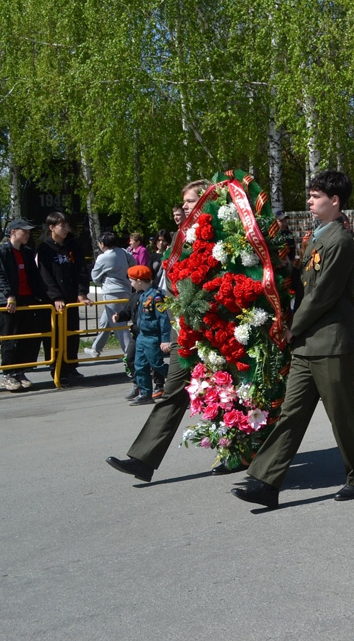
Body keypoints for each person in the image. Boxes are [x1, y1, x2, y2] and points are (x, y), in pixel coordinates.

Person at [232, 170, 354, 509]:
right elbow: (305, 283)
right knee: (291, 413)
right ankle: (266, 480)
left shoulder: (339, 241)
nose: (309, 201)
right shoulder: (316, 237)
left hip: (330, 342)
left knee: (342, 414)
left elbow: (322, 295)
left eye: (315, 196)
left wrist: (292, 326)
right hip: (309, 343)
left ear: (334, 201)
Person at [107, 179, 220, 482]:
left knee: (225, 394)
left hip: (216, 333)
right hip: (184, 332)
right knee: (172, 393)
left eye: (190, 200)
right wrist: (172, 333)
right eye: (183, 202)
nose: (184, 206)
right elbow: (171, 288)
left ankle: (238, 451)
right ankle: (143, 459)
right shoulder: (178, 241)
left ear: (206, 201)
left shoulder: (220, 237)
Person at [0, 220, 48, 391]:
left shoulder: (28, 252)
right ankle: (7, 374)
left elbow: (35, 276)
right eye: (25, 232)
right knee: (9, 338)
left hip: (27, 299)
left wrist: (40, 296)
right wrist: (9, 295)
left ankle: (20, 371)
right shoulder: (0, 251)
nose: (28, 235)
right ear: (13, 232)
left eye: (29, 232)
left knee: (26, 338)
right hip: (9, 301)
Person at [34, 212, 93, 382]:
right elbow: (45, 276)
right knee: (55, 335)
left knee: (72, 333)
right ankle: (57, 368)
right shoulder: (44, 248)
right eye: (62, 226)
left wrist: (82, 293)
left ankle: (71, 366)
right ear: (52, 228)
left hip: (72, 298)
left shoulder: (73, 245)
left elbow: (81, 270)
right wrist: (55, 297)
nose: (66, 229)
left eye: (67, 225)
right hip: (54, 301)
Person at [116, 265, 172, 405]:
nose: (131, 283)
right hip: (141, 336)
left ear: (140, 281)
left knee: (157, 364)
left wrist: (165, 340)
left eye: (132, 280)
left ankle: (179, 383)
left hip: (152, 337)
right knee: (140, 365)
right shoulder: (141, 296)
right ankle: (145, 393)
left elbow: (163, 319)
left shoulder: (156, 297)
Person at [87, 231, 135, 362]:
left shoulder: (103, 257)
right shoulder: (123, 252)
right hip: (126, 290)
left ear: (102, 244)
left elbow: (95, 277)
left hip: (111, 293)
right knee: (106, 321)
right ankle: (96, 348)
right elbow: (134, 263)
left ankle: (131, 354)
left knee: (119, 325)